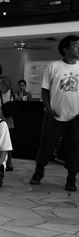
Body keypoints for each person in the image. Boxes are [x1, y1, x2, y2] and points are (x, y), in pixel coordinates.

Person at [29, 35, 79, 192]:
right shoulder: (53, 66)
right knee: (46, 146)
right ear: (66, 50)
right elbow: (44, 91)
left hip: (75, 118)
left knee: (75, 148)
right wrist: (49, 110)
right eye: (76, 46)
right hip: (54, 117)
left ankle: (71, 178)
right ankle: (38, 171)